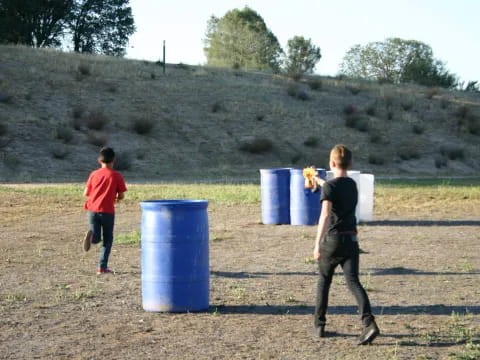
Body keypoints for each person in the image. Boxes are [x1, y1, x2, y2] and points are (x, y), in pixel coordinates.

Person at [311, 144, 379, 345]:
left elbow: (325, 215)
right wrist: (317, 180)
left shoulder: (330, 187)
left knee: (324, 281)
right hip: (351, 240)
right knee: (353, 282)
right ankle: (369, 323)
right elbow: (332, 186)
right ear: (350, 163)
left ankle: (319, 325)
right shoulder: (352, 184)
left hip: (332, 241)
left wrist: (316, 244)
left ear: (331, 163)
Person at [83, 147, 127, 275]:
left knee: (96, 237)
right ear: (113, 160)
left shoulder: (93, 174)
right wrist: (116, 197)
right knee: (107, 239)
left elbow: (86, 193)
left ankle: (92, 239)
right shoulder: (116, 176)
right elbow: (121, 195)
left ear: (99, 160)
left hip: (92, 209)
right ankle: (102, 267)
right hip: (107, 210)